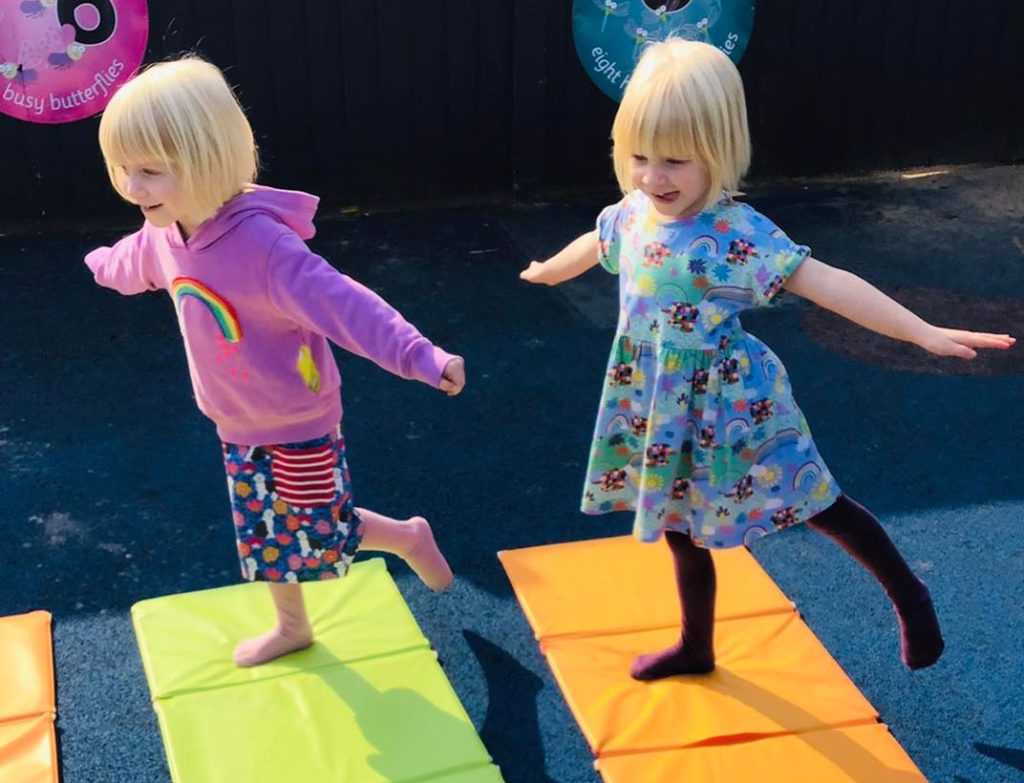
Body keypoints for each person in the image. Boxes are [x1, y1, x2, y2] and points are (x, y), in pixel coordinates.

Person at [520, 39, 1015, 680]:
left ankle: (909, 593)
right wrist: (551, 269)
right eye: (639, 156)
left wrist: (921, 332)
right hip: (658, 402)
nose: (653, 177)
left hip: (735, 404)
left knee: (816, 499)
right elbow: (596, 241)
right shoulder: (632, 214)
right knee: (677, 525)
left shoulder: (738, 234)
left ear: (718, 151)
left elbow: (827, 282)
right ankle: (696, 645)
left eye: (675, 160)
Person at [84, 57, 465, 668]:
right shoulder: (166, 234)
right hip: (235, 421)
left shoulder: (264, 248)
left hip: (296, 419)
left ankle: (408, 537)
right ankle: (291, 626)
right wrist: (102, 265)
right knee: (264, 529)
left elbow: (347, 307)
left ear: (207, 161)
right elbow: (134, 263)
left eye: (149, 171)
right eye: (123, 169)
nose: (132, 187)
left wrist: (420, 355)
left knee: (322, 529)